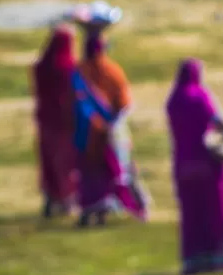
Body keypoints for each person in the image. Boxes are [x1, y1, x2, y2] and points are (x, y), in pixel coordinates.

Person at [166, 59, 223, 275]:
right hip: (206, 162)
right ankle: (222, 256)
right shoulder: (199, 97)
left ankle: (195, 259)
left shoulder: (173, 100)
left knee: (192, 213)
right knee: (216, 210)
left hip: (183, 164)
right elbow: (218, 124)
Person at [72, 33, 149, 227]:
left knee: (91, 174)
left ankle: (90, 210)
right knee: (117, 170)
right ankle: (119, 209)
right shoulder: (112, 71)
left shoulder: (79, 72)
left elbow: (71, 102)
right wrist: (112, 121)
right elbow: (124, 102)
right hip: (110, 132)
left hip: (86, 134)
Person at [32, 24, 79, 219]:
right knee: (65, 163)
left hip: (45, 119)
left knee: (48, 160)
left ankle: (50, 199)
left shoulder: (42, 66)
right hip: (63, 122)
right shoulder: (67, 67)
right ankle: (66, 200)